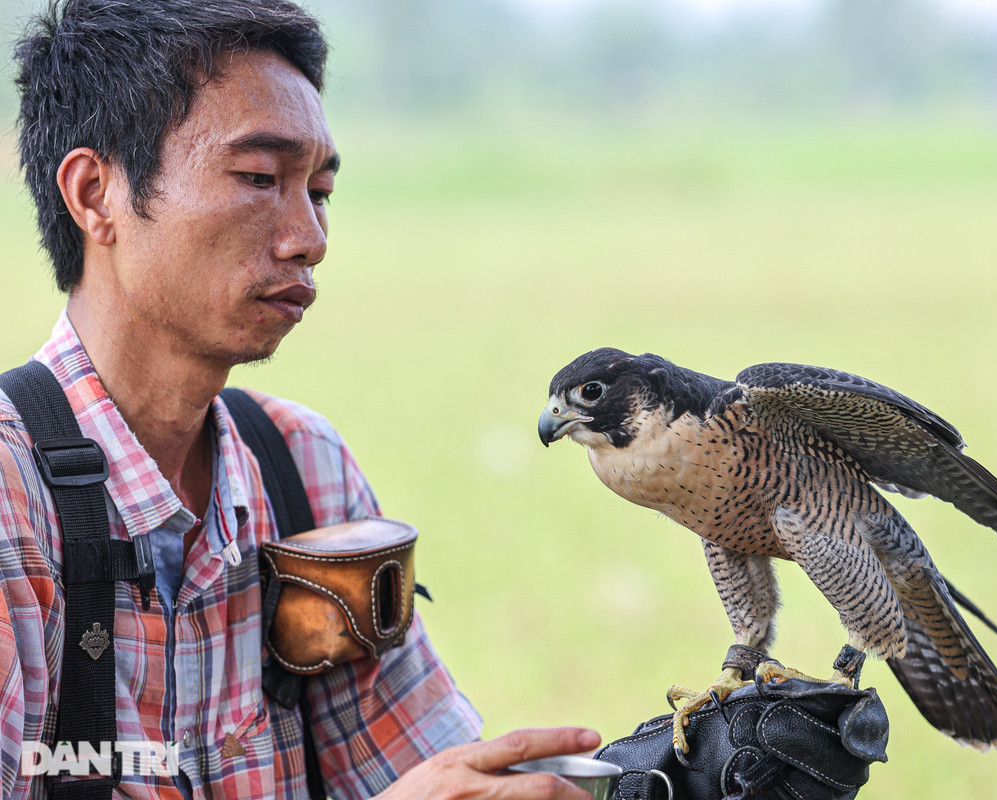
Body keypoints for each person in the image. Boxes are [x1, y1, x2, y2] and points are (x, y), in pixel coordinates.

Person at [0, 1, 600, 798]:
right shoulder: (13, 497)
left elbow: (422, 771)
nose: (309, 236)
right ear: (95, 194)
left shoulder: (303, 468)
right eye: (258, 179)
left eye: (318, 190)